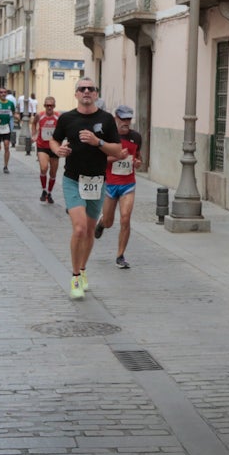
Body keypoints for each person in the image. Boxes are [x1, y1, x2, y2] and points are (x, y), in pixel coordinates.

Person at [52, 78, 125, 299]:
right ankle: (75, 276)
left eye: (90, 89)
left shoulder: (106, 119)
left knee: (91, 230)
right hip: (73, 179)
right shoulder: (66, 118)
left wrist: (98, 142)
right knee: (79, 228)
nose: (86, 92)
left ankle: (83, 269)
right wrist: (58, 151)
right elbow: (54, 142)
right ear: (75, 94)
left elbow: (117, 149)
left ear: (95, 94)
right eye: (81, 89)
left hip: (97, 181)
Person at [94, 104, 143, 268]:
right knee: (109, 222)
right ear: (116, 118)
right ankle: (101, 223)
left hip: (128, 184)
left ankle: (120, 255)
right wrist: (116, 157)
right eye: (123, 118)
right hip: (110, 184)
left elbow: (139, 158)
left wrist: (137, 163)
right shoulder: (108, 137)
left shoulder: (136, 137)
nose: (126, 122)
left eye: (128, 119)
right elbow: (99, 160)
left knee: (125, 218)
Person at [31, 95, 62, 204]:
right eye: (47, 105)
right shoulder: (40, 115)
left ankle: (49, 193)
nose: (49, 108)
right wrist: (34, 134)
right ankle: (44, 190)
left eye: (51, 106)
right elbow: (33, 123)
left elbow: (63, 129)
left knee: (53, 173)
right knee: (44, 168)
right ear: (44, 106)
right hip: (42, 146)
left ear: (54, 106)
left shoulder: (59, 117)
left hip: (54, 147)